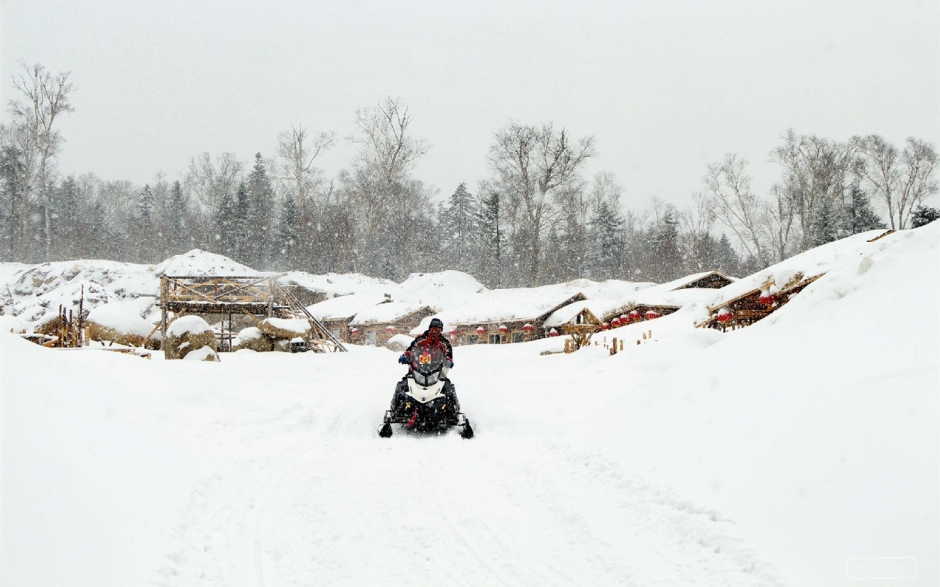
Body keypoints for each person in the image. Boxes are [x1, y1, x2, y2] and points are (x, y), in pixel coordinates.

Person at [391, 317, 460, 420]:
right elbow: (411, 349)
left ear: (441, 331)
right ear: (430, 328)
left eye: (438, 330)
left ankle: (453, 414)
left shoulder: (444, 343)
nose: (435, 332)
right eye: (433, 329)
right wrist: (405, 356)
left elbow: (448, 355)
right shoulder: (420, 339)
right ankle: (395, 412)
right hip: (417, 369)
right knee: (401, 386)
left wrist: (449, 361)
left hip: (437, 371)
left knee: (449, 389)